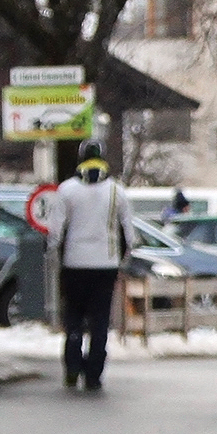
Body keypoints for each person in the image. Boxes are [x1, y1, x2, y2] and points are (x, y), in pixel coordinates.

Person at [52, 139, 132, 392]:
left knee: (74, 317)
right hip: (105, 265)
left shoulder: (66, 190)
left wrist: (56, 258)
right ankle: (94, 373)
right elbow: (129, 235)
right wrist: (123, 261)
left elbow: (55, 233)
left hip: (74, 264)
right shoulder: (117, 191)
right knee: (99, 320)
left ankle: (73, 365)